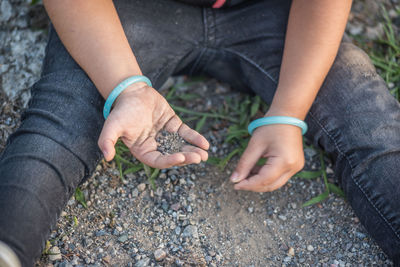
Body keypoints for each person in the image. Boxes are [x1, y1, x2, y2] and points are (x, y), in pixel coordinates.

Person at [0, 0, 399, 266]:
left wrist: (288, 113)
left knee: (371, 124)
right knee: (60, 126)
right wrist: (127, 87)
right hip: (121, 15)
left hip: (279, 14)